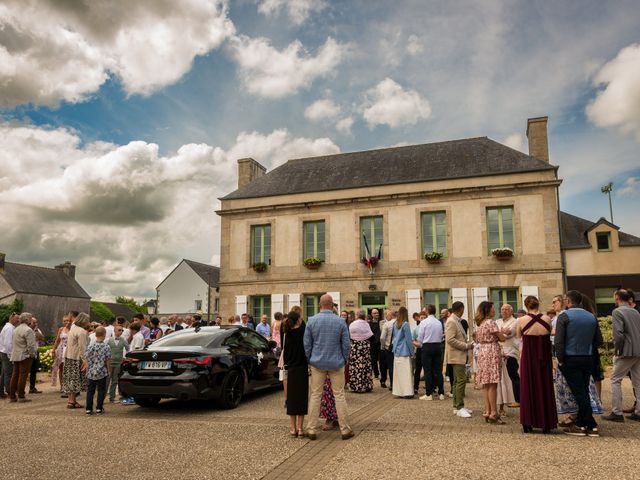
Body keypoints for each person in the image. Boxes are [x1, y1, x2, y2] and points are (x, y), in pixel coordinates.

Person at [304, 294, 353, 440]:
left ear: (319, 305)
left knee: (315, 395)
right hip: (336, 362)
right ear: (332, 306)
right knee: (339, 395)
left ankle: (311, 429)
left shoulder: (311, 321)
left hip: (317, 362)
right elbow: (346, 344)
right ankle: (345, 429)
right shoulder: (340, 321)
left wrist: (310, 359)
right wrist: (344, 359)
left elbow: (307, 344)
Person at [555, 290, 599, 436]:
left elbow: (559, 341)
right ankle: (585, 423)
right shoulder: (592, 317)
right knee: (583, 391)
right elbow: (598, 339)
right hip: (587, 357)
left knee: (579, 392)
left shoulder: (564, 316)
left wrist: (560, 359)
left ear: (568, 301)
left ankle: (587, 425)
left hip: (570, 357)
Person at [517, 296, 557, 433]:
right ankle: (546, 423)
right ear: (537, 304)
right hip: (544, 357)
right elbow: (550, 332)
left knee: (528, 387)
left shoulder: (521, 320)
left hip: (529, 357)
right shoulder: (547, 319)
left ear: (526, 305)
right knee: (545, 386)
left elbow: (518, 336)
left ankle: (528, 423)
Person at [603, 289, 640, 422]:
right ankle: (639, 412)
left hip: (626, 351)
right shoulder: (635, 311)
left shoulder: (617, 311)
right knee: (638, 382)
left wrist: (617, 350)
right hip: (638, 350)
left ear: (617, 298)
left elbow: (618, 335)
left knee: (615, 380)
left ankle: (617, 412)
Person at [475, 301, 507, 424]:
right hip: (492, 351)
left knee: (486, 384)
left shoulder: (481, 323)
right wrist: (503, 332)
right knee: (493, 384)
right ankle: (494, 412)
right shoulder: (491, 322)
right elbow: (502, 338)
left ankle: (487, 411)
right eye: (493, 309)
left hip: (483, 351)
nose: (495, 310)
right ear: (488, 310)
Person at [445, 301, 474, 418]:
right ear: (461, 309)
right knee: (461, 380)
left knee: (457, 381)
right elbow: (450, 340)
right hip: (456, 356)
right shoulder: (452, 321)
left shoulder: (455, 320)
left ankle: (457, 406)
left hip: (458, 355)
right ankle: (459, 407)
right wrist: (466, 345)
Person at [282, 310, 308, 437]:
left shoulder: (287, 333)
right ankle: (300, 428)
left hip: (291, 368)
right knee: (301, 398)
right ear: (298, 320)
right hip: (302, 368)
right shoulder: (303, 332)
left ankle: (292, 429)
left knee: (291, 399)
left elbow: (285, 353)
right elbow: (307, 349)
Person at [416, 305, 445, 401]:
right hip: (437, 346)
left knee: (427, 371)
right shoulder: (439, 322)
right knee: (438, 371)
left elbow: (420, 337)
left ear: (427, 311)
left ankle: (429, 394)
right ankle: (441, 393)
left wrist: (420, 342)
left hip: (427, 346)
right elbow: (441, 336)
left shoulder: (424, 322)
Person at [63, 312, 90, 409]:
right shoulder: (82, 331)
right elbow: (82, 348)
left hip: (69, 357)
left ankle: (71, 401)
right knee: (75, 379)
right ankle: (72, 401)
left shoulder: (72, 330)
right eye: (88, 321)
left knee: (71, 379)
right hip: (76, 357)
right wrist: (85, 361)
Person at [9, 312, 37, 403]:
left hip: (15, 355)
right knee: (22, 376)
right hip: (25, 356)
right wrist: (33, 355)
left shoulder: (15, 329)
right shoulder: (28, 330)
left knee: (15, 375)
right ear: (28, 319)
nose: (31, 320)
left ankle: (12, 396)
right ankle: (21, 395)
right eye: (31, 318)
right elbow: (31, 346)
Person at [496, 304, 520, 408]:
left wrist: (499, 333)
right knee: (501, 379)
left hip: (510, 352)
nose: (504, 311)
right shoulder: (497, 321)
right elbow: (495, 335)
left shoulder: (516, 321)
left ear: (511, 311)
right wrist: (501, 333)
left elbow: (508, 334)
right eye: (502, 309)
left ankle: (518, 399)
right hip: (498, 353)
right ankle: (505, 399)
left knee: (513, 376)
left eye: (506, 309)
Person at [83, 326, 111, 415]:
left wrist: (87, 368)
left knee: (90, 391)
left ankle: (88, 409)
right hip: (102, 371)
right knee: (101, 390)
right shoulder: (106, 347)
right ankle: (99, 408)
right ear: (104, 335)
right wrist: (109, 370)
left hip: (91, 372)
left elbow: (86, 358)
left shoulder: (91, 346)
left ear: (95, 334)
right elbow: (108, 360)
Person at [348, 310, 374, 393]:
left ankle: (355, 385)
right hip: (364, 347)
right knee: (365, 365)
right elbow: (371, 335)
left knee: (355, 365)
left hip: (355, 347)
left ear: (357, 315)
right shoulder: (366, 324)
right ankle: (366, 385)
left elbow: (349, 335)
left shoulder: (352, 324)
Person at [391, 306, 414, 399]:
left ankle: (399, 391)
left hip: (396, 350)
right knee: (406, 373)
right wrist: (412, 352)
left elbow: (394, 338)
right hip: (404, 351)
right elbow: (409, 340)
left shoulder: (395, 324)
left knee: (398, 374)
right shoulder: (406, 324)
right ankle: (407, 392)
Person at [122, 322, 144, 406]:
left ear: (133, 330)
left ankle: (132, 398)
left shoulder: (138, 337)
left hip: (134, 361)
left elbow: (137, 350)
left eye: (130, 329)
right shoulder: (137, 336)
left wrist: (131, 360)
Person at [107, 321, 129, 403]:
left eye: (122, 330)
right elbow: (104, 349)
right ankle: (102, 396)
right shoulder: (108, 340)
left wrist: (125, 357)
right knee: (107, 380)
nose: (121, 332)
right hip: (110, 362)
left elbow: (128, 349)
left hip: (118, 362)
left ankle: (112, 398)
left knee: (115, 380)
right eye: (119, 330)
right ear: (115, 331)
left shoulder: (124, 340)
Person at [0, 313, 19, 399]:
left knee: (4, 373)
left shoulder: (9, 327)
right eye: (16, 319)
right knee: (9, 373)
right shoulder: (9, 328)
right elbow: (8, 344)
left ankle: (1, 391)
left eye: (18, 319)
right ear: (11, 318)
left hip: (5, 352)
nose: (18, 320)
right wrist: (11, 355)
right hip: (7, 353)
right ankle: (9, 391)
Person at [51, 315, 71, 392]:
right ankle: (62, 386)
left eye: (68, 320)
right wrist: (53, 350)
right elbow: (57, 340)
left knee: (68, 368)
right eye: (65, 321)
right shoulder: (61, 329)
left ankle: (68, 385)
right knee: (61, 368)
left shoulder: (72, 329)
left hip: (69, 350)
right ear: (62, 322)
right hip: (61, 350)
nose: (66, 322)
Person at [379, 309, 395, 390]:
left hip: (388, 347)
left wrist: (383, 345)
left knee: (391, 367)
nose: (386, 316)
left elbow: (382, 337)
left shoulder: (387, 324)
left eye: (387, 314)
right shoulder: (401, 323)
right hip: (398, 348)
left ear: (390, 315)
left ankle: (392, 385)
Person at [368, 308, 382, 380]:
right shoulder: (369, 323)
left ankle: (382, 373)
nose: (377, 314)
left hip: (381, 343)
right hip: (373, 344)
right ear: (372, 314)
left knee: (381, 359)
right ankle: (376, 374)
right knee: (373, 360)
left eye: (377, 313)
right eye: (375, 313)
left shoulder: (382, 322)